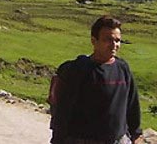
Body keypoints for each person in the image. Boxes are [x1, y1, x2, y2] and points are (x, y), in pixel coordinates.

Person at [50, 16, 142, 144]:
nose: (114, 45)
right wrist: (58, 139)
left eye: (117, 40)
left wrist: (136, 134)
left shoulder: (123, 68)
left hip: (118, 140)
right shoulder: (79, 70)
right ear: (94, 41)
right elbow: (63, 110)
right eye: (108, 40)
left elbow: (132, 104)